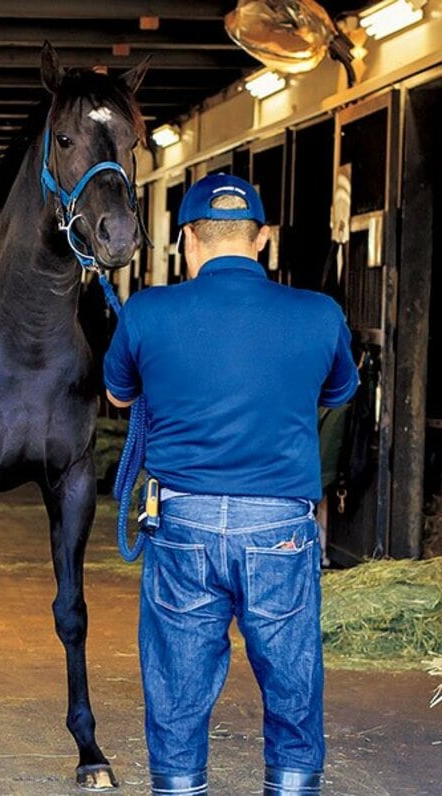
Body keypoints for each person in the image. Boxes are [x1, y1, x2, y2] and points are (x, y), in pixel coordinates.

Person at [102, 174, 359, 796]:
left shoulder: (146, 312)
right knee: (293, 681)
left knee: (178, 685)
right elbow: (337, 393)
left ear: (187, 240)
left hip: (182, 526)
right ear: (263, 239)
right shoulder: (319, 314)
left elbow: (118, 394)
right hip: (280, 530)